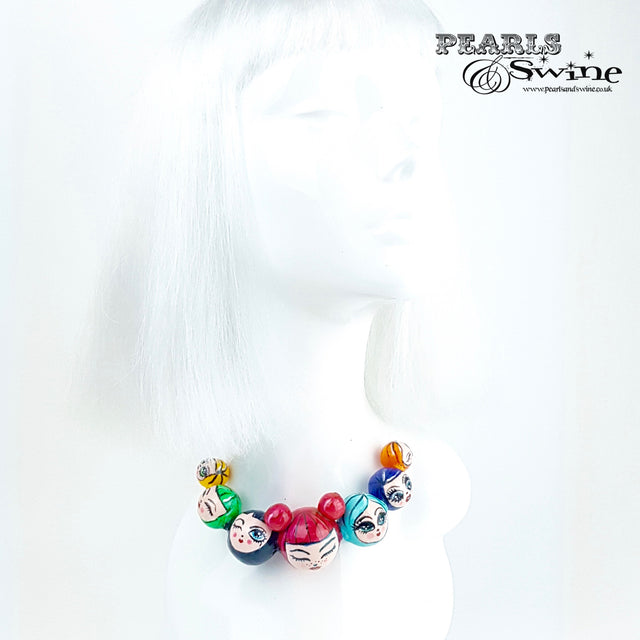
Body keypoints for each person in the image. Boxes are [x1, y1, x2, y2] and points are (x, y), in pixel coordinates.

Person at [124, 1, 473, 637]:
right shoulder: (219, 529)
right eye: (325, 113)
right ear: (205, 167)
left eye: (419, 116)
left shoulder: (424, 493)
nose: (407, 156)